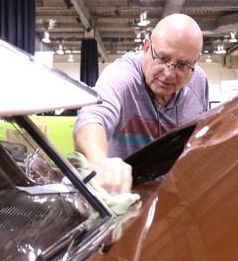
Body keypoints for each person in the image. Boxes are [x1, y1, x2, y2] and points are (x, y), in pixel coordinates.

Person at [73, 13, 209, 195]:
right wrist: (98, 161)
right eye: (162, 58)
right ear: (146, 48)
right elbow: (92, 117)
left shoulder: (199, 81)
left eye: (183, 65)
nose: (169, 74)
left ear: (196, 61)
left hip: (174, 200)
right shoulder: (122, 77)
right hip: (124, 200)